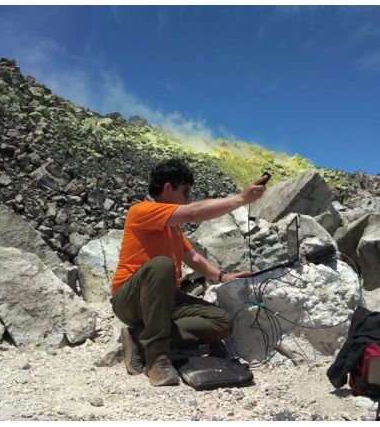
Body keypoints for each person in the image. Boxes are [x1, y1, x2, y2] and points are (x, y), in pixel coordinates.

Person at [110, 159, 267, 386]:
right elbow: (193, 212)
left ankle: (140, 338)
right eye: (184, 190)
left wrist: (222, 277)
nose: (188, 197)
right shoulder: (141, 211)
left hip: (163, 302)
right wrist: (241, 199)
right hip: (129, 300)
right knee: (162, 265)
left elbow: (192, 257)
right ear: (167, 188)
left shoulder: (173, 227)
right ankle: (156, 358)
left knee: (220, 322)